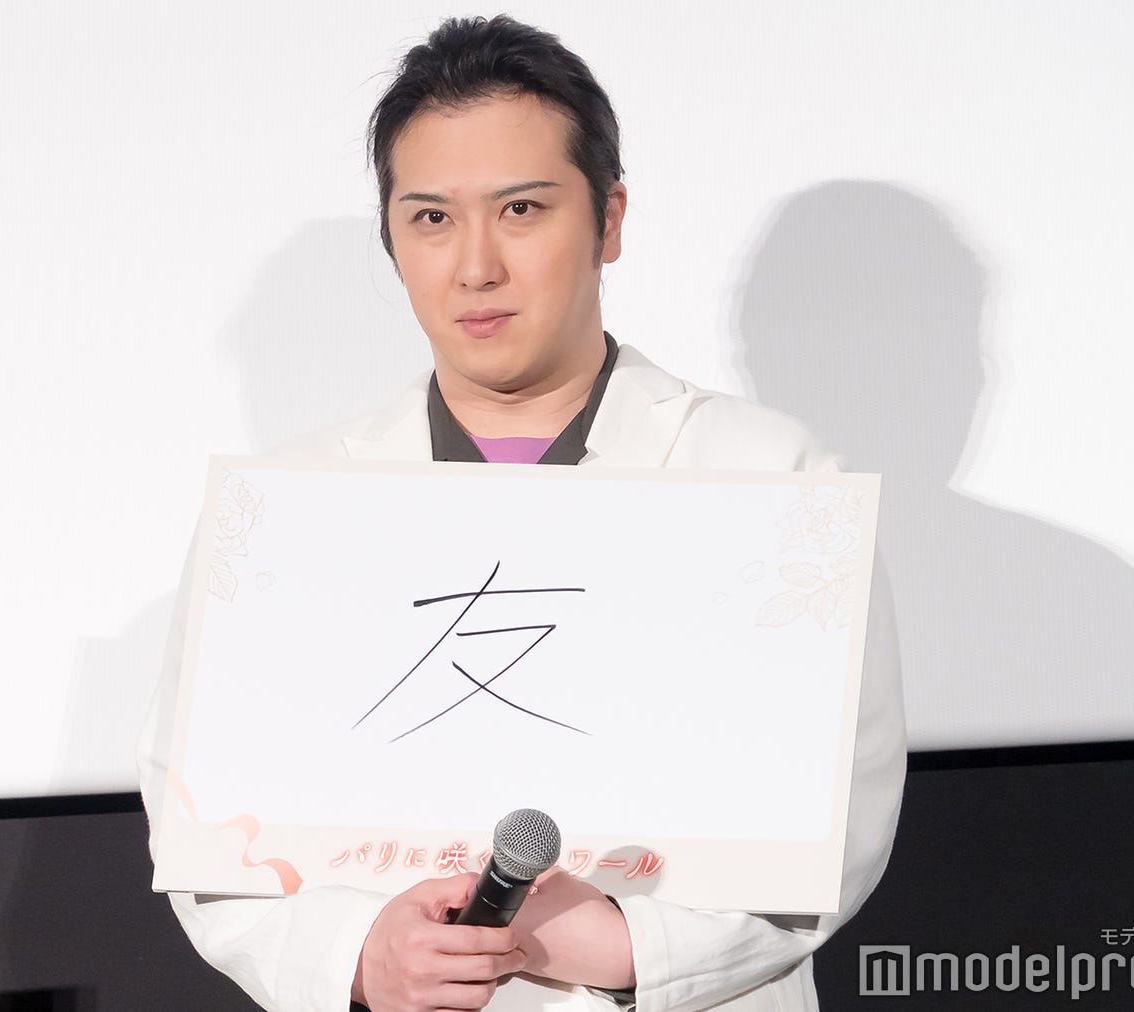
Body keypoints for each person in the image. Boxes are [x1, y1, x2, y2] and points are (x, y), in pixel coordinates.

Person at [137, 14, 906, 1012]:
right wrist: (357, 953)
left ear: (609, 220)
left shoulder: (773, 479)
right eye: (430, 218)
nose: (475, 267)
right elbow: (201, 823)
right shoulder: (286, 514)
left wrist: (630, 943)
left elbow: (842, 807)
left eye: (521, 210)